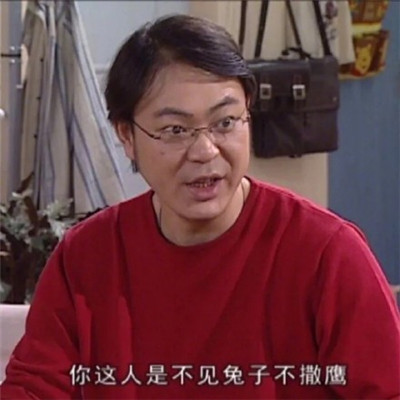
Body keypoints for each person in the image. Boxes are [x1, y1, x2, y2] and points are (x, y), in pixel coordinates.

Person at [1, 14, 399, 400]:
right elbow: (36, 387)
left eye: (225, 122)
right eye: (175, 130)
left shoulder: (326, 252)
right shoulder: (87, 256)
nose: (205, 151)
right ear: (127, 136)